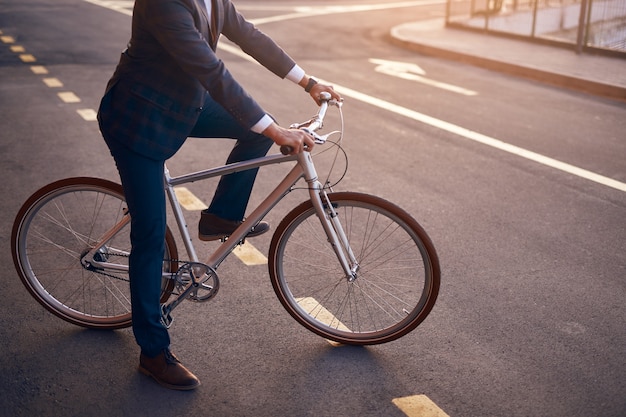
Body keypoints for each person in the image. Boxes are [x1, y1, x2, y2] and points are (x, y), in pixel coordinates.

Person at [97, 0, 341, 391]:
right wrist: (275, 132)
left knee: (256, 129)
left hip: (183, 103)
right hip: (139, 120)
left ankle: (220, 218)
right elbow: (211, 70)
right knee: (150, 238)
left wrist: (308, 82)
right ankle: (153, 353)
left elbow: (249, 36)